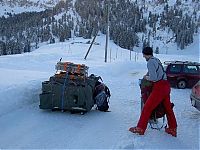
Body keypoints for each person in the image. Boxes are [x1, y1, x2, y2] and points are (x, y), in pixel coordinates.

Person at [129, 47, 177, 137]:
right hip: (166, 85)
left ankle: (140, 128)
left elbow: (154, 78)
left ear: (145, 54)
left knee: (147, 107)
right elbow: (156, 71)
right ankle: (173, 128)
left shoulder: (150, 62)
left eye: (143, 55)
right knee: (168, 109)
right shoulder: (156, 59)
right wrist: (148, 74)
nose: (143, 56)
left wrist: (145, 77)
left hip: (159, 87)